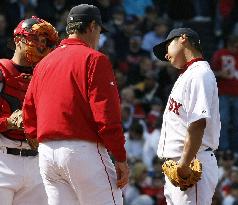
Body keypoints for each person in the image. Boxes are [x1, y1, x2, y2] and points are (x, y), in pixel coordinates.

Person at [22, 4, 129, 205]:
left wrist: (41, 143)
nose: (98, 37)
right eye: (99, 30)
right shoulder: (94, 59)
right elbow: (106, 116)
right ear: (91, 26)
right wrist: (120, 157)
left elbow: (29, 112)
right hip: (83, 150)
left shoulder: (44, 63)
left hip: (47, 153)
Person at [153, 28, 220, 204]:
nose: (166, 56)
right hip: (179, 163)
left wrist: (183, 165)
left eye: (167, 47)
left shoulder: (200, 73)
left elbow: (198, 123)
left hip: (191, 162)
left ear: (183, 39)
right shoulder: (188, 74)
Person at [0, 16, 59, 205]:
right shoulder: (1, 70)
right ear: (18, 40)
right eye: (35, 38)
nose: (41, 45)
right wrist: (8, 122)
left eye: (44, 41)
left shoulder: (47, 75)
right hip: (2, 157)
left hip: (36, 161)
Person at [211, 35, 238, 152]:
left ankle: (235, 149)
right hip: (224, 93)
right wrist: (220, 73)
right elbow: (210, 71)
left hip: (235, 93)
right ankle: (224, 148)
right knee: (224, 121)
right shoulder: (220, 54)